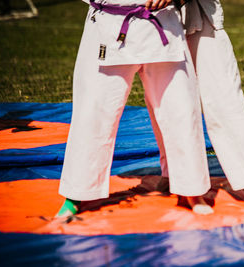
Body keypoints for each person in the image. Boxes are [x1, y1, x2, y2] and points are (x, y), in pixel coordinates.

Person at [56, 0, 214, 217]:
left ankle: (191, 189)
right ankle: (77, 192)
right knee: (94, 112)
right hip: (108, 24)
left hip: (164, 23)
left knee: (180, 109)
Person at [146, 0, 244, 210]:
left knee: (222, 95)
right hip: (152, 18)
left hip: (199, 14)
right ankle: (174, 173)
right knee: (166, 99)